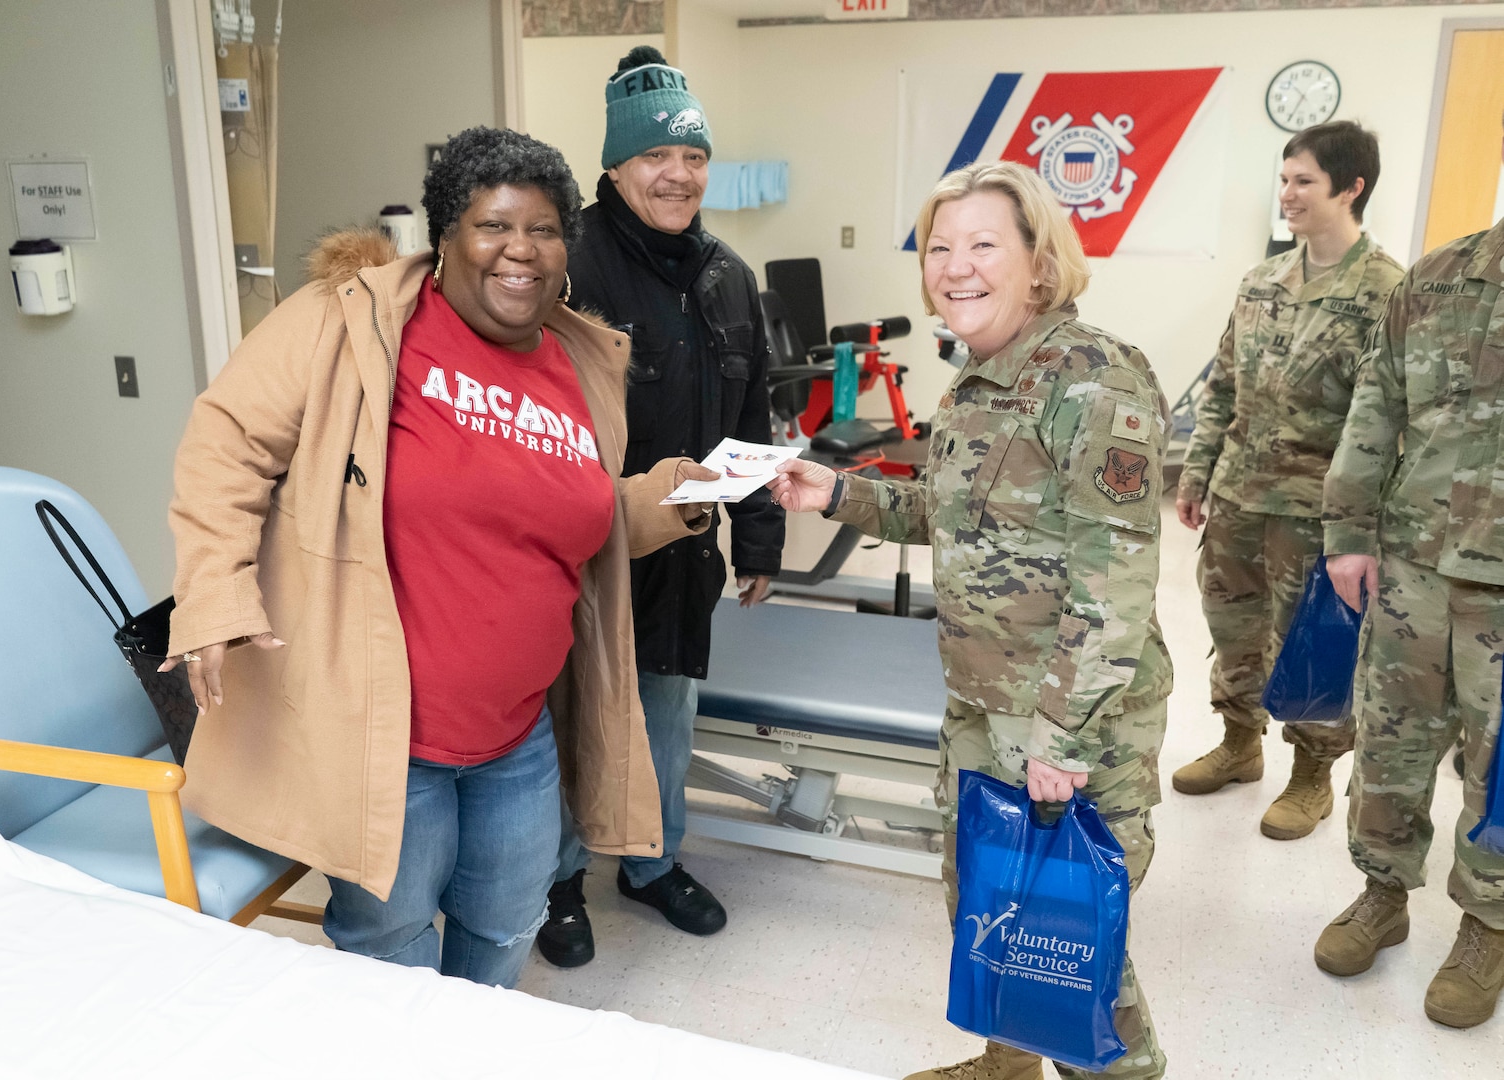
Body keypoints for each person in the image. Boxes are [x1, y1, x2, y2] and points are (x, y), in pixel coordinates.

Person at [161, 126, 717, 986]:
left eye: (544, 230)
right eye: (494, 226)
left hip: (521, 733)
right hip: (387, 732)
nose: (520, 252)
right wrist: (215, 594)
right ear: (445, 235)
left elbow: (577, 518)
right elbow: (226, 445)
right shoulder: (351, 323)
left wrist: (674, 496)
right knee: (390, 957)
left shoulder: (578, 358)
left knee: (503, 932)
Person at [767, 161, 1171, 1080]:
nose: (955, 268)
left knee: (1075, 946)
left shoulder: (1093, 381)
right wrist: (839, 493)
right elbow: (943, 523)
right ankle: (1009, 1061)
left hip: (1072, 726)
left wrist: (1061, 739)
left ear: (1038, 262)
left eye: (984, 245)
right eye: (940, 249)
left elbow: (1116, 589)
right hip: (984, 712)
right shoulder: (976, 384)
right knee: (989, 903)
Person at [536, 45, 784, 969]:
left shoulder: (728, 276)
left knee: (666, 711)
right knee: (573, 715)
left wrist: (760, 531)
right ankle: (558, 880)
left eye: (693, 157)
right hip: (585, 545)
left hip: (683, 546)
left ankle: (650, 862)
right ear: (614, 165)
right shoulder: (569, 271)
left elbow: (752, 410)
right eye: (655, 158)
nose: (678, 175)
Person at [1312, 118, 1504, 1028]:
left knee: (1501, 763)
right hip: (1414, 566)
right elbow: (1375, 408)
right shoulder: (1435, 281)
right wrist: (1347, 529)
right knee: (1390, 743)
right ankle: (1381, 893)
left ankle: (1489, 923)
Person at [1172, 121, 1404, 840]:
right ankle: (1239, 746)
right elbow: (1223, 387)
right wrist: (1197, 470)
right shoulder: (1261, 280)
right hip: (1241, 495)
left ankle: (1312, 775)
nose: (1288, 194)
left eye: (1303, 181)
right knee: (1231, 624)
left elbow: (1390, 420)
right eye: (1285, 180)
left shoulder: (1388, 292)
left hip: (1318, 512)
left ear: (1351, 187)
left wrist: (1358, 529)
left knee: (1312, 643)